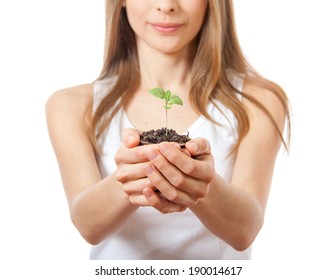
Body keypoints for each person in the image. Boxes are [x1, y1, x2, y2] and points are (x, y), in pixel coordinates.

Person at [46, 0, 290, 260]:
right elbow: (88, 226)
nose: (166, 5)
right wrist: (131, 178)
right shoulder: (72, 106)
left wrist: (200, 181)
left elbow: (245, 230)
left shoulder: (257, 101)